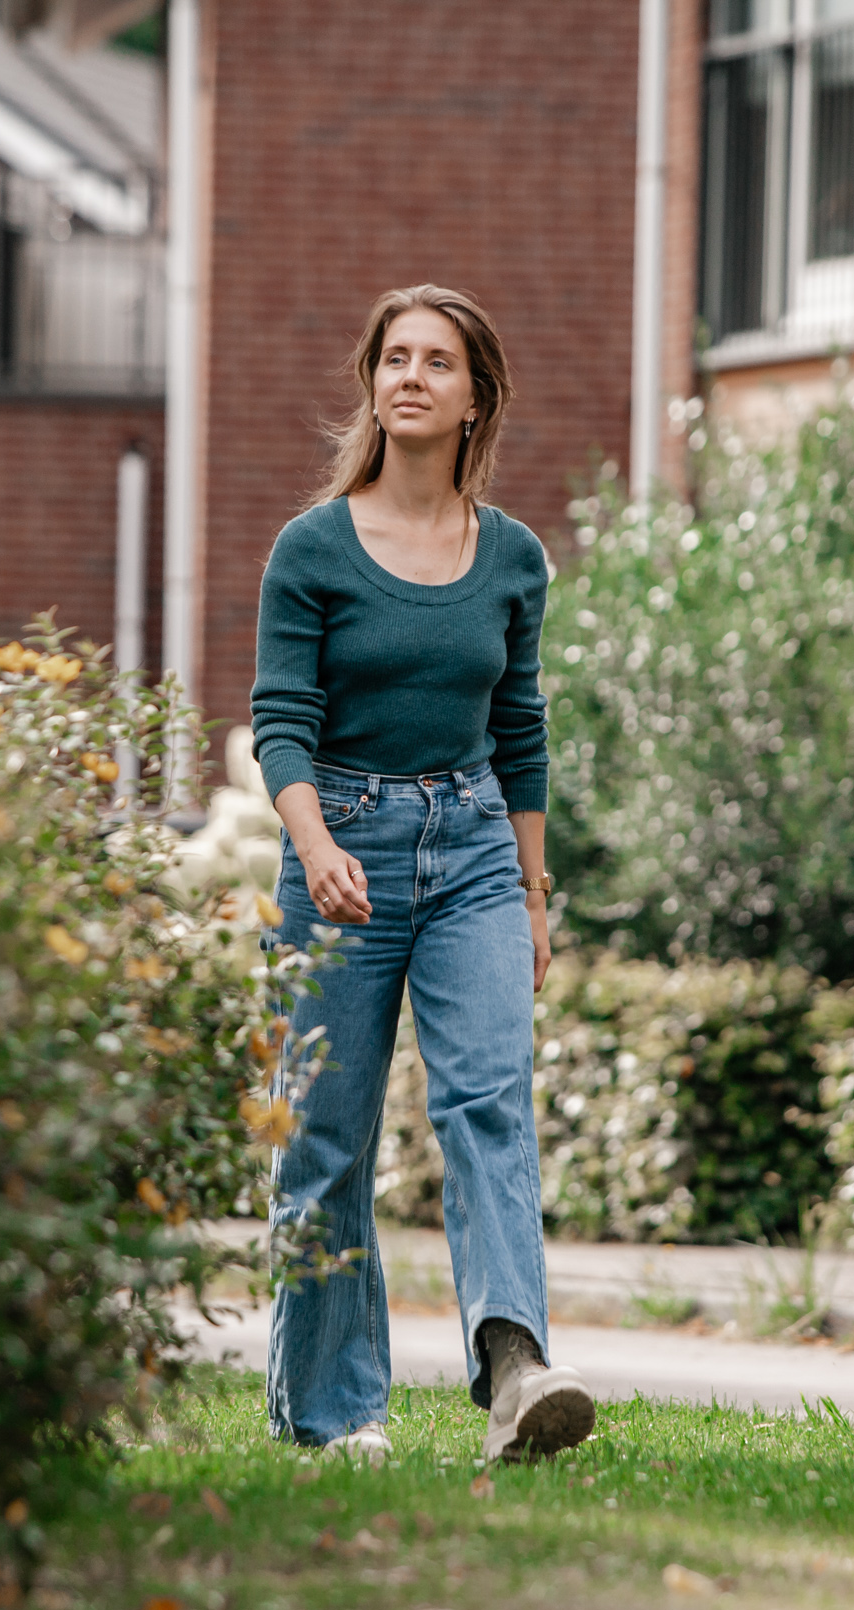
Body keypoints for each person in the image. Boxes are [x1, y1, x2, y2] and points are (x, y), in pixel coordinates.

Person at [250, 284, 594, 1466]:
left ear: (473, 397)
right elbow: (280, 721)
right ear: (373, 385)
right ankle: (336, 1408)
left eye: (434, 362)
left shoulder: (511, 558)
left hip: (475, 852)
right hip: (337, 845)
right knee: (326, 1139)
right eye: (392, 357)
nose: (408, 376)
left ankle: (515, 1369)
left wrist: (536, 897)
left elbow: (521, 730)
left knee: (490, 1102)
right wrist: (314, 844)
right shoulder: (311, 549)